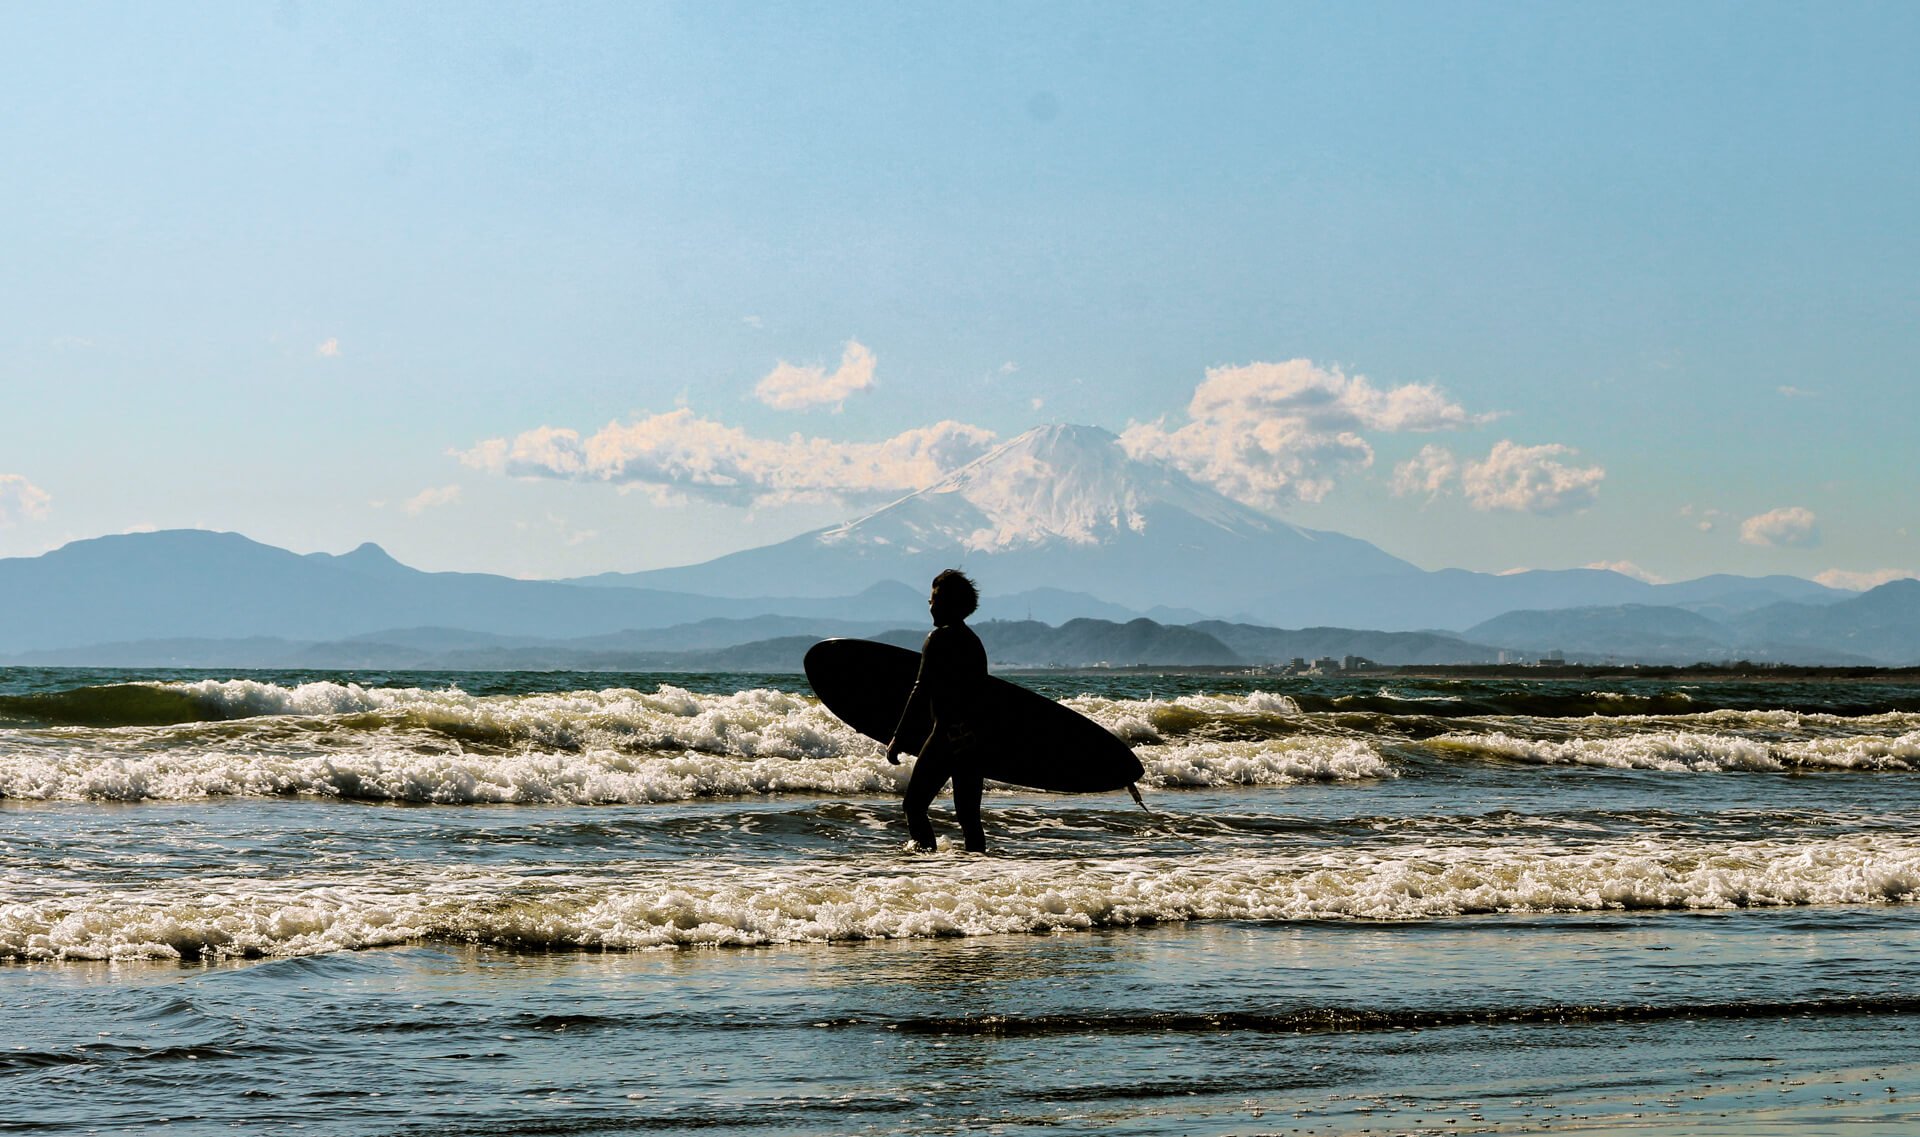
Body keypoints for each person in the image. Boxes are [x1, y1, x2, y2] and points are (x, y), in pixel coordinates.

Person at [886, 569, 990, 852]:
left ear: (946, 603)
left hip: (945, 735)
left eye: (933, 599)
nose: (930, 605)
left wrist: (899, 738)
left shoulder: (938, 639)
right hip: (972, 740)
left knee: (914, 806)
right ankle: (980, 875)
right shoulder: (973, 642)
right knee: (970, 818)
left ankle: (926, 868)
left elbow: (921, 691)